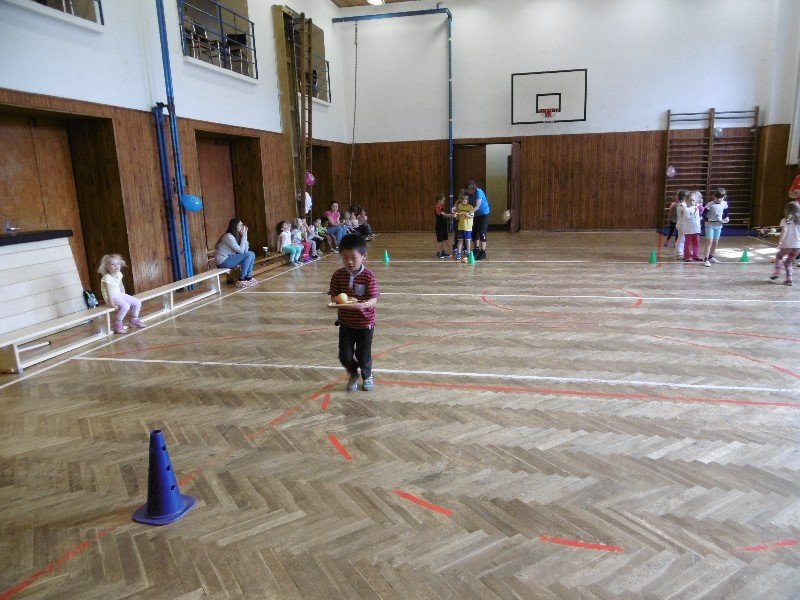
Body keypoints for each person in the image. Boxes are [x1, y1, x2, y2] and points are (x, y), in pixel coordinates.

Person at [328, 234, 380, 392]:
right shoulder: (338, 275)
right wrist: (340, 300)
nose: (349, 262)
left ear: (364, 256)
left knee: (363, 354)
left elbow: (373, 300)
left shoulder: (368, 275)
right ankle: (353, 373)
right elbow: (333, 297)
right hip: (346, 323)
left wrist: (361, 305)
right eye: (345, 258)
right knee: (344, 355)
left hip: (365, 323)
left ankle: (367, 375)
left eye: (353, 258)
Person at [99, 254, 146, 334]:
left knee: (137, 302)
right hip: (111, 297)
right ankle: (117, 324)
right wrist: (111, 304)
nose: (116, 266)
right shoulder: (106, 278)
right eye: (113, 264)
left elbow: (121, 285)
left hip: (119, 295)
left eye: (118, 264)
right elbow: (108, 292)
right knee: (126, 306)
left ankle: (134, 320)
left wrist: (124, 295)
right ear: (106, 267)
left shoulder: (119, 274)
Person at [215, 218, 258, 288]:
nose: (242, 227)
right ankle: (241, 279)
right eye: (240, 225)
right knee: (248, 254)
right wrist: (244, 235)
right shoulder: (228, 236)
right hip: (223, 262)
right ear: (235, 226)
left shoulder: (237, 237)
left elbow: (245, 251)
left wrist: (244, 236)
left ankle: (248, 277)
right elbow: (241, 251)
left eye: (242, 225)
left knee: (252, 253)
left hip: (230, 259)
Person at [770, 201, 800, 286]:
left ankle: (777, 272)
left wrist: (779, 243)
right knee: (788, 262)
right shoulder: (798, 222)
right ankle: (789, 279)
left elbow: (784, 231)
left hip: (787, 246)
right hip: (797, 247)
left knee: (779, 256)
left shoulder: (784, 220)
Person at [703, 188, 730, 267]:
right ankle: (706, 259)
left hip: (718, 226)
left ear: (724, 197)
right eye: (717, 198)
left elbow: (726, 213)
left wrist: (727, 218)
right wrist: (707, 219)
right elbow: (703, 214)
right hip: (710, 226)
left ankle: (711, 257)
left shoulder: (724, 203)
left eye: (721, 198)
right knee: (709, 242)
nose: (719, 199)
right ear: (714, 196)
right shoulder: (710, 204)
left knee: (715, 242)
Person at [466, 180, 490, 260]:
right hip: (475, 214)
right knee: (474, 232)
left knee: (482, 232)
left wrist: (469, 212)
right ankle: (476, 249)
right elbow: (461, 200)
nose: (467, 191)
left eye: (468, 189)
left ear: (472, 188)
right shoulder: (468, 193)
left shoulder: (478, 192)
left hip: (483, 214)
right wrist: (455, 207)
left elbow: (477, 206)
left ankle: (483, 252)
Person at [679, 192, 702, 262]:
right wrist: (694, 213)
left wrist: (699, 228)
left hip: (696, 229)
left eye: (693, 200)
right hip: (688, 230)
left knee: (696, 243)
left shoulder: (696, 208)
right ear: (686, 201)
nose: (692, 202)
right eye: (690, 200)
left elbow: (697, 219)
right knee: (688, 243)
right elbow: (689, 219)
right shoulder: (685, 209)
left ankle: (696, 256)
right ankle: (687, 256)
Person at [454, 193, 474, 261]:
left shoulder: (470, 207)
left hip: (468, 227)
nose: (463, 202)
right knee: (460, 241)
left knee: (468, 241)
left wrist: (467, 215)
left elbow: (472, 216)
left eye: (464, 201)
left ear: (468, 201)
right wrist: (457, 215)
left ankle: (468, 253)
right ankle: (458, 253)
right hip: (461, 226)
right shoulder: (459, 206)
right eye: (462, 201)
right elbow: (457, 216)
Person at [434, 193, 453, 259]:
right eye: (443, 201)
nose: (444, 202)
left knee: (443, 239)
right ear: (439, 201)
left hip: (443, 225)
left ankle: (443, 251)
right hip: (439, 226)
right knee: (440, 240)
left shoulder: (442, 207)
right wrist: (452, 215)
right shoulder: (437, 207)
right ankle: (438, 252)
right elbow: (444, 214)